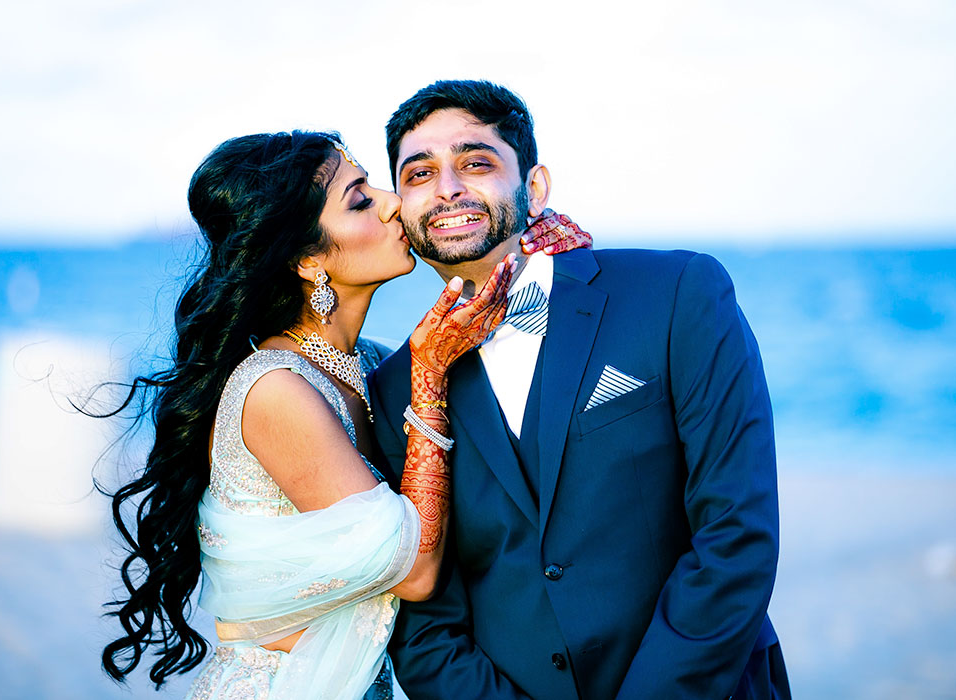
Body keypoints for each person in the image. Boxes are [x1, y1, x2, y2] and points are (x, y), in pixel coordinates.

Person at [97, 130, 587, 699]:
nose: (391, 202)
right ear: (307, 261)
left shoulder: (371, 363)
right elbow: (415, 572)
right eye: (359, 200)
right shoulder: (275, 390)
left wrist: (533, 259)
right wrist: (426, 379)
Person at [368, 80, 791, 699]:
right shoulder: (395, 388)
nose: (448, 188)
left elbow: (736, 532)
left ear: (534, 188)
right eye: (420, 173)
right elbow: (424, 626)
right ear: (402, 207)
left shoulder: (677, 293)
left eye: (476, 162)